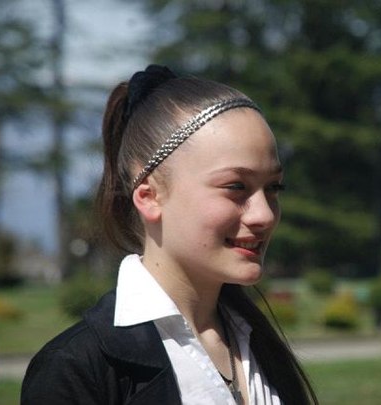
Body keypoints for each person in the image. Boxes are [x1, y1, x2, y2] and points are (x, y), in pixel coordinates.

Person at [21, 65, 318, 404]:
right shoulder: (76, 369)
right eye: (236, 186)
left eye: (274, 188)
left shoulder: (257, 343)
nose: (264, 214)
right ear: (150, 197)